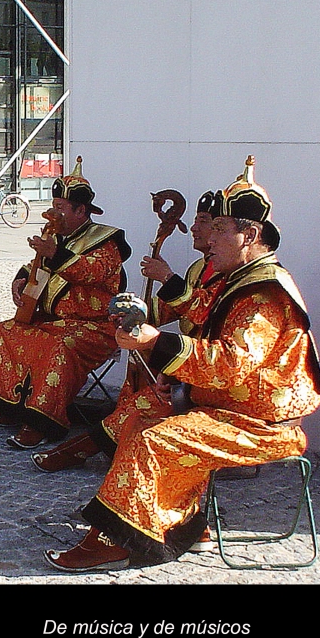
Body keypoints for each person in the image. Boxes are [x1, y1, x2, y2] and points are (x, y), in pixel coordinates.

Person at [44, 156, 320, 572]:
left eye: (218, 229)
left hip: (260, 423)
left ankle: (116, 539)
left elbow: (227, 364)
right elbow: (197, 314)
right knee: (141, 411)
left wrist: (155, 342)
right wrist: (178, 382)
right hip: (230, 406)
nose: (208, 238)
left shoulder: (264, 295)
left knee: (154, 438)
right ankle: (183, 522)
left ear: (249, 235)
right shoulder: (238, 278)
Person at [30, 190, 225, 473]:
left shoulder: (236, 277)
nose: (195, 228)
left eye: (206, 222)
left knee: (146, 398)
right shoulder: (200, 268)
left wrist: (167, 278)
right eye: (196, 221)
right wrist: (132, 314)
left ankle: (84, 445)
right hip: (191, 364)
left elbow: (205, 312)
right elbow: (164, 311)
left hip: (210, 371)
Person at [0, 156, 131, 449]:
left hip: (94, 326)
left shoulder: (106, 241)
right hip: (51, 321)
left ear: (81, 211)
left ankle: (42, 422)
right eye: (53, 206)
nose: (53, 213)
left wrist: (54, 254)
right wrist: (20, 279)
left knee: (55, 348)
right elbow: (35, 266)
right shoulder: (57, 236)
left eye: (61, 208)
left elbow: (92, 273)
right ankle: (7, 407)